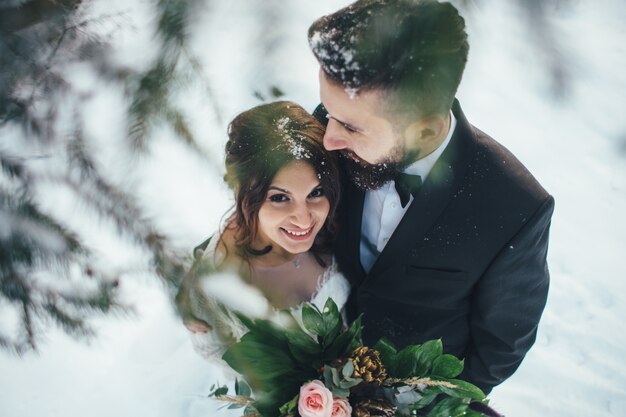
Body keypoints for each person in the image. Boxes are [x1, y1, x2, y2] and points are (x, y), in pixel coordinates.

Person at [307, 0, 554, 394]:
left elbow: (501, 345)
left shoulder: (514, 208)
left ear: (423, 132)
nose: (327, 138)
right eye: (328, 111)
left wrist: (430, 400)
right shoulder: (331, 132)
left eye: (351, 128)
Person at [175, 101, 350, 361]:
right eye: (279, 198)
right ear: (242, 193)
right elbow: (219, 355)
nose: (304, 220)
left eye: (315, 192)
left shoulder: (338, 213)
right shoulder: (217, 285)